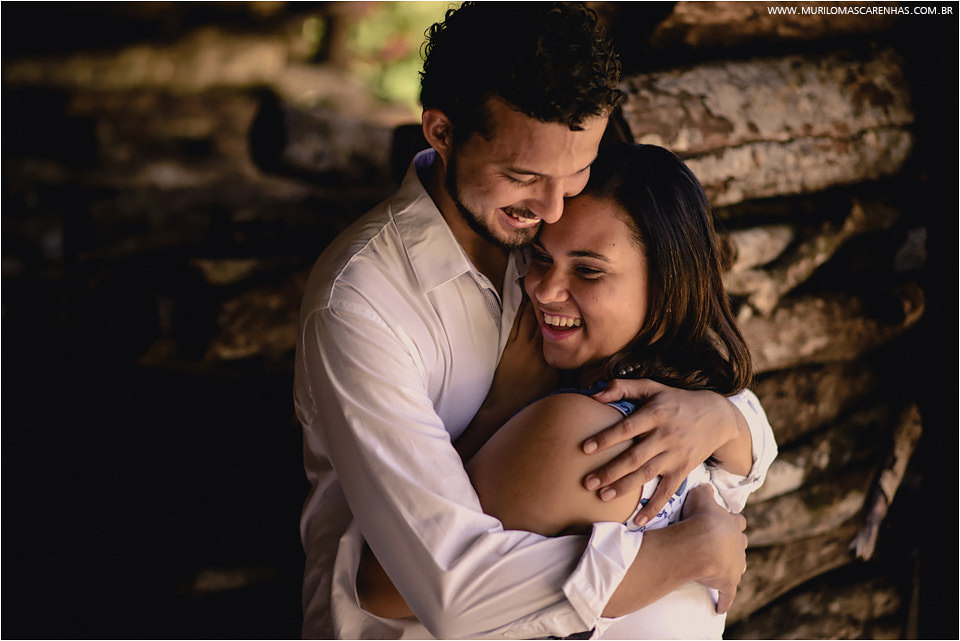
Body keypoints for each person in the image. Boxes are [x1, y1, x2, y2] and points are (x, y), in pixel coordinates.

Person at [295, 3, 773, 638]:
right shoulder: (362, 305)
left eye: (575, 172)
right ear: (441, 132)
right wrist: (685, 554)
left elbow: (708, 407)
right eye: (524, 177)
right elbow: (444, 587)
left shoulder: (551, 235)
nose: (552, 207)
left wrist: (721, 417)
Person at [356, 143, 777, 639]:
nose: (543, 290)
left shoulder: (587, 435)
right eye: (539, 258)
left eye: (588, 270)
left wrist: (498, 413)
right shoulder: (695, 429)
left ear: (667, 286)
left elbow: (384, 587)